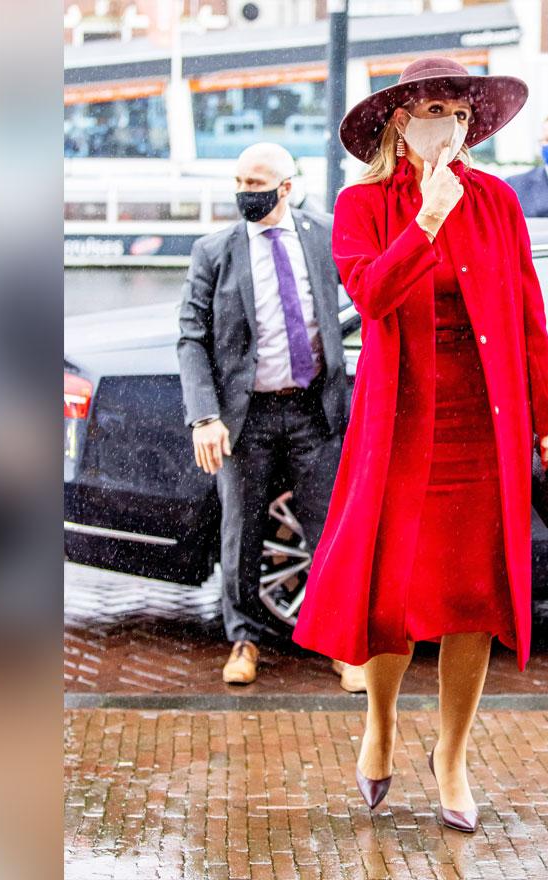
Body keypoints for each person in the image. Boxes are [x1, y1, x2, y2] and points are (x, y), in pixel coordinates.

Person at [289, 57, 548, 833]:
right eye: (429, 110)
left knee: (474, 601)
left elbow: (527, 315)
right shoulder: (363, 205)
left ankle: (451, 755)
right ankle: (380, 725)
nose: (444, 124)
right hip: (402, 423)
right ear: (399, 122)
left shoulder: (499, 203)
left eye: (456, 112)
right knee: (394, 592)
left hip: (484, 427)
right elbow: (372, 296)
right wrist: (425, 219)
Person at [176, 143, 363, 692]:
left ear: (285, 187)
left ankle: (339, 644)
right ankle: (244, 640)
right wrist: (204, 416)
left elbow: (364, 299)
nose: (244, 192)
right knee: (241, 530)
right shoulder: (215, 251)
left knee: (329, 528)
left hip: (314, 408)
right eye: (238, 181)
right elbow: (191, 338)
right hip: (245, 415)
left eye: (255, 182)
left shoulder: (325, 237)